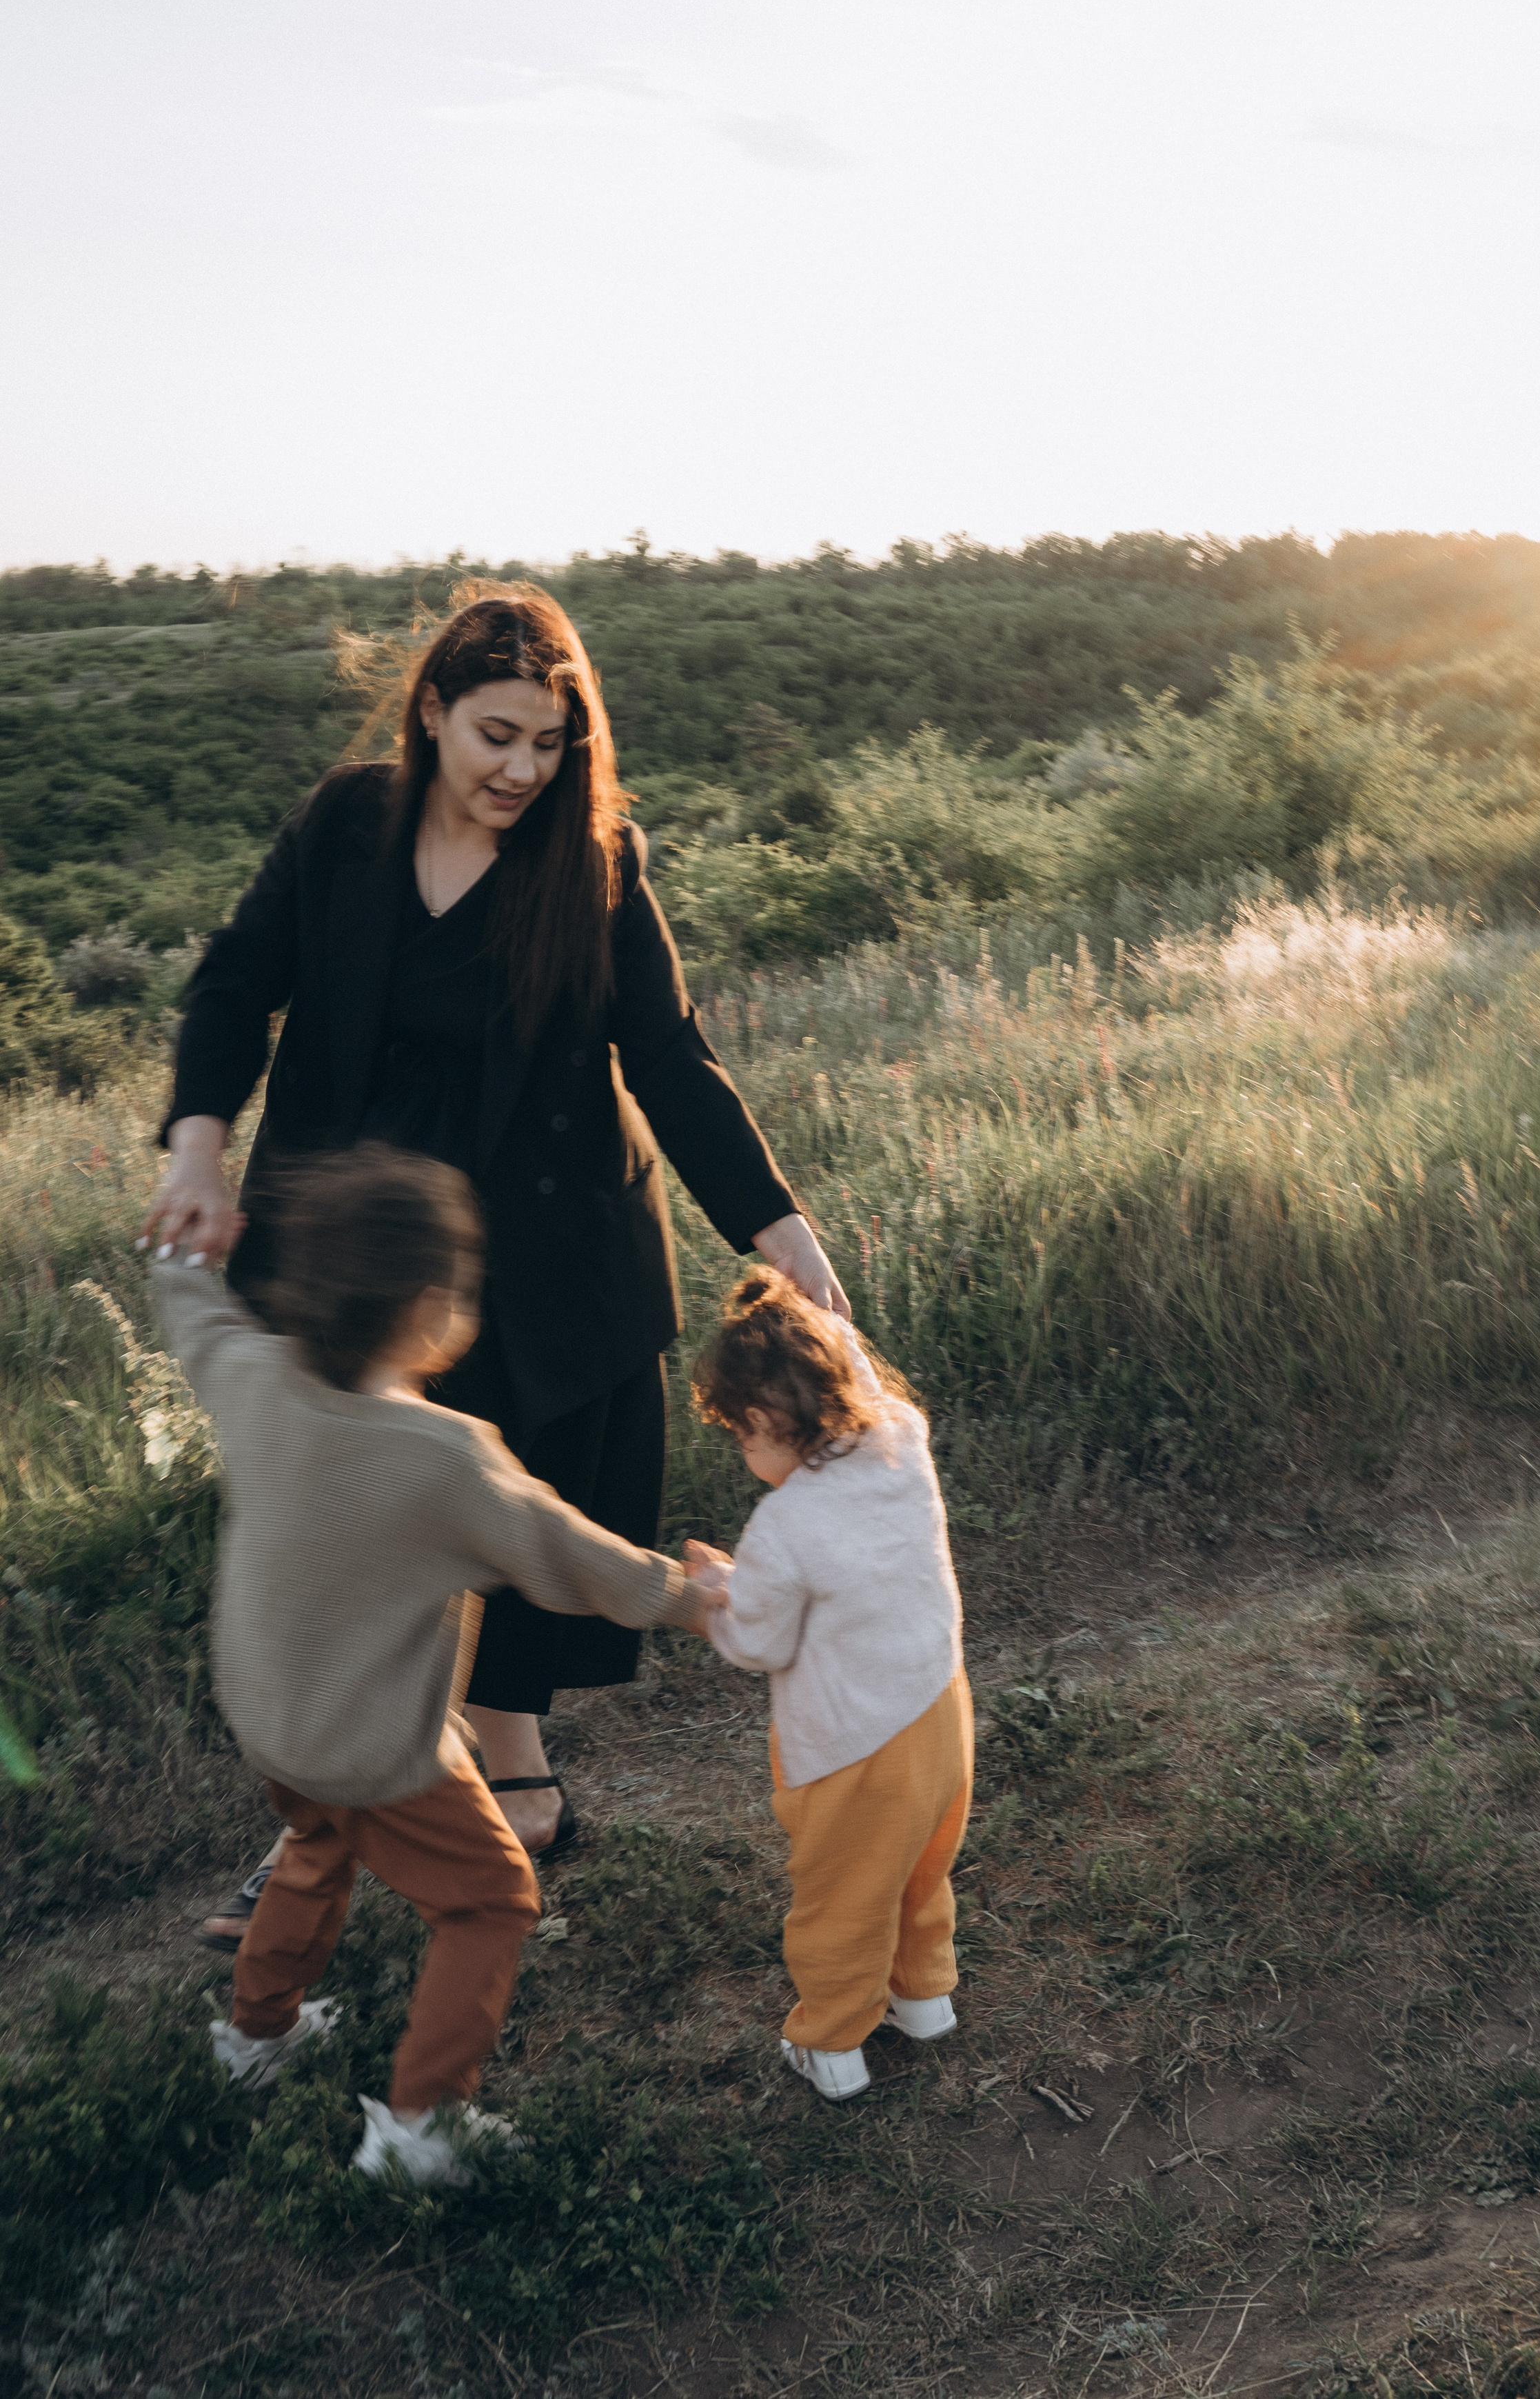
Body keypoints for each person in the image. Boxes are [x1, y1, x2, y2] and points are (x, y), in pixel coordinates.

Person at [141, 581, 847, 1939]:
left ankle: (511, 1775)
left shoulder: (594, 857)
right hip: (355, 1250)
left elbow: (670, 1059)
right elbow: (235, 982)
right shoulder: (349, 823)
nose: (524, 767)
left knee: (520, 1508)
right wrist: (195, 1150)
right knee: (353, 1528)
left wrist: (781, 1231)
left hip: (538, 1246)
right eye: (498, 735)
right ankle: (324, 1823)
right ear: (432, 712)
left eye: (550, 740)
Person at [153, 1144, 722, 2188]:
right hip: (381, 1748)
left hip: (273, 1715)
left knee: (316, 1843)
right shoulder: (445, 1455)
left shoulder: (258, 1376)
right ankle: (422, 2123)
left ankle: (255, 2032)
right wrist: (690, 1598)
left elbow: (194, 1315)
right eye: (463, 1286)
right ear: (428, 1308)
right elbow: (567, 1554)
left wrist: (184, 1252)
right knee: (491, 1899)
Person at [684, 1268, 971, 2102]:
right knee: (920, 1868)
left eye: (742, 1435)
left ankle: (833, 2046)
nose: (745, 1455)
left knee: (845, 1896)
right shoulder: (901, 1441)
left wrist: (715, 1596)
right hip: (940, 1715)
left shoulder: (783, 1527)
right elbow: (854, 1370)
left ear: (769, 1421)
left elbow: (760, 1643)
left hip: (853, 1749)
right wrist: (796, 1312)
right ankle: (925, 2002)